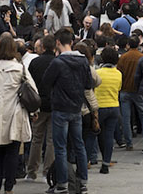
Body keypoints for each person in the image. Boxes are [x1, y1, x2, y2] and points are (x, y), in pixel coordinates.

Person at [41, 29, 93, 194]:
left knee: (61, 147)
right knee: (79, 145)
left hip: (60, 107)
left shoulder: (57, 63)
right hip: (76, 107)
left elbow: (45, 82)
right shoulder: (83, 61)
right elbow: (88, 84)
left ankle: (62, 183)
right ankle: (83, 182)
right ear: (71, 42)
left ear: (57, 43)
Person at [0, 35, 35, 194]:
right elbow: (32, 89)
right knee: (12, 152)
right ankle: (9, 187)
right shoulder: (20, 68)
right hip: (15, 112)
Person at [26, 36, 56, 180]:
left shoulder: (35, 62)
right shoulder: (57, 62)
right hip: (54, 104)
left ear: (43, 47)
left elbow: (30, 83)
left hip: (39, 104)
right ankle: (47, 172)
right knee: (51, 140)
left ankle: (31, 171)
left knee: (36, 139)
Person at [94, 48, 123, 173]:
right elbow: (119, 88)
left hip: (99, 107)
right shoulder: (118, 73)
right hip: (114, 106)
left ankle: (90, 159)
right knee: (109, 135)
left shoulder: (97, 72)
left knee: (92, 133)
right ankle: (106, 164)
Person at [116, 36, 143, 151]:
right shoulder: (142, 57)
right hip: (138, 90)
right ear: (138, 45)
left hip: (125, 90)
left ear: (128, 45)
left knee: (126, 118)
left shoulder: (123, 57)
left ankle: (128, 142)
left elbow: (119, 73)